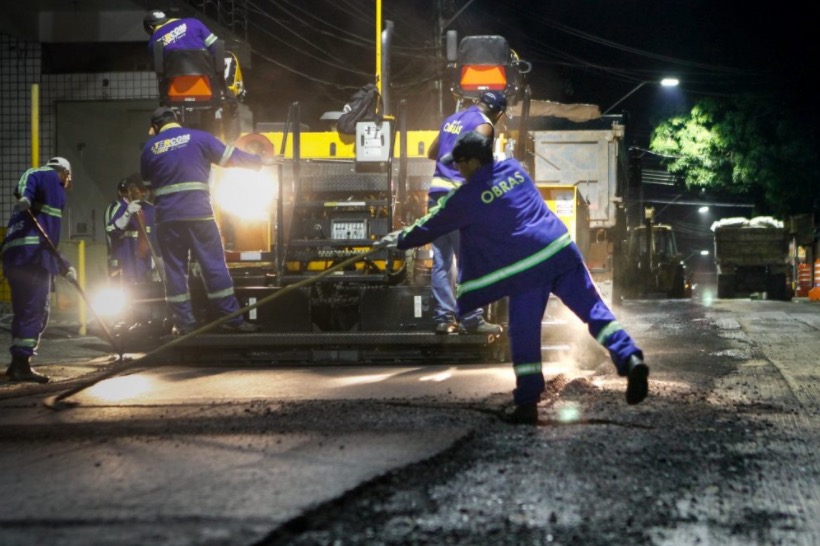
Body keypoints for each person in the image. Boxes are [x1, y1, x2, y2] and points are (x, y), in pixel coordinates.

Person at [380, 131, 649, 424]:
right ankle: (630, 357)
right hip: (560, 250)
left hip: (528, 268)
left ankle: (527, 404)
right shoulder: (515, 170)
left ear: (473, 162)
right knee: (595, 312)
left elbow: (433, 224)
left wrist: (401, 239)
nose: (457, 169)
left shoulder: (466, 197)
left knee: (524, 334)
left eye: (460, 163)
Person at [140, 106, 275, 335]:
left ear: (155, 127)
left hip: (168, 218)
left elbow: (148, 184)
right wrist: (259, 161)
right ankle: (231, 319)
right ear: (177, 119)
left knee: (175, 270)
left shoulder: (149, 148)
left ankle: (184, 324)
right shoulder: (199, 138)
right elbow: (231, 157)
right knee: (213, 265)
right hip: (198, 214)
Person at [425, 91, 507, 335]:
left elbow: (432, 152)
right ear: (498, 113)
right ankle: (472, 319)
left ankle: (444, 319)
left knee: (442, 261)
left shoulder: (452, 119)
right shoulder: (484, 125)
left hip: (437, 197)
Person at [2, 157, 76, 383]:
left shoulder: (37, 204)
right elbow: (29, 177)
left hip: (15, 259)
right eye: (67, 178)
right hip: (34, 258)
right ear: (65, 172)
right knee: (36, 311)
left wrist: (65, 266)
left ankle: (17, 362)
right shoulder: (47, 177)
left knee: (23, 311)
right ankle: (22, 365)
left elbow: (47, 238)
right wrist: (25, 195)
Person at [143, 9, 239, 140]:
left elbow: (160, 70)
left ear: (150, 28)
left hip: (173, 94)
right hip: (208, 88)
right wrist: (219, 70)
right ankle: (231, 140)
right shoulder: (194, 23)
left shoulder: (153, 42)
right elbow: (216, 47)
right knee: (231, 101)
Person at [104, 175, 157, 285]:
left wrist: (155, 262)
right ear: (130, 189)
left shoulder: (150, 210)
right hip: (124, 269)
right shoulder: (120, 208)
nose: (143, 193)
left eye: (145, 190)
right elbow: (110, 230)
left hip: (145, 270)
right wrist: (127, 215)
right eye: (140, 190)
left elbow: (155, 238)